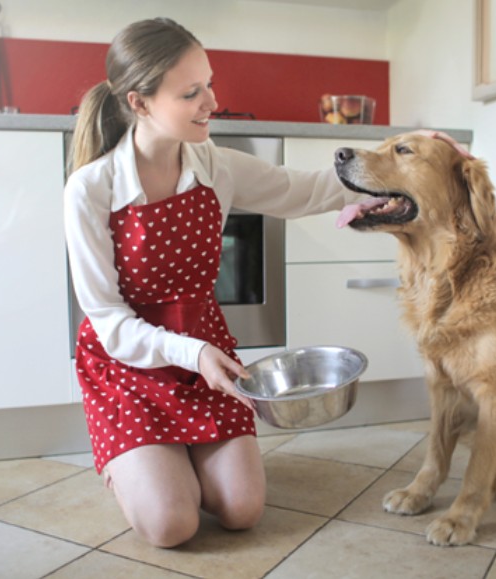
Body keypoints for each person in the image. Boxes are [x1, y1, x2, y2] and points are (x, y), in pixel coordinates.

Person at [63, 17, 363, 549]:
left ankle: (174, 462)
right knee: (171, 525)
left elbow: (305, 190)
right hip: (130, 366)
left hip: (208, 361)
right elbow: (108, 322)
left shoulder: (215, 166)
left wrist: (402, 164)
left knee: (242, 510)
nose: (212, 102)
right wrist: (192, 352)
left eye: (209, 84)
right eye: (191, 93)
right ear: (139, 103)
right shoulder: (91, 189)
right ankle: (131, 463)